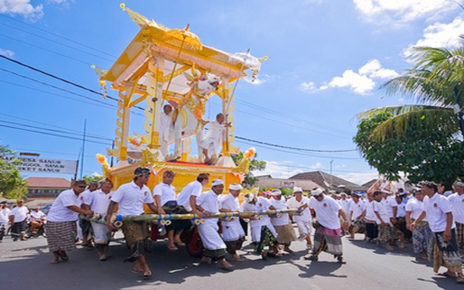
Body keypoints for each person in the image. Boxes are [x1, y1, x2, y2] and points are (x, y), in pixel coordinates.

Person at [106, 167, 158, 279]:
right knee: (137, 242)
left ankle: (137, 265)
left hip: (140, 217)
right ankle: (145, 266)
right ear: (139, 176)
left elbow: (151, 205)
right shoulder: (124, 188)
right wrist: (108, 220)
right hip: (126, 218)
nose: (148, 178)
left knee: (144, 241)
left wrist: (161, 212)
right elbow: (112, 203)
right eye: (146, 176)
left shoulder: (146, 189)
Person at [412, 182, 464, 284]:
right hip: (435, 229)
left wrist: (448, 230)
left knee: (451, 251)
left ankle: (460, 274)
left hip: (445, 229)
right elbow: (424, 212)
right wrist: (415, 222)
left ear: (431, 189)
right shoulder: (426, 199)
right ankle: (451, 271)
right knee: (441, 251)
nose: (421, 189)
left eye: (424, 187)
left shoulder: (441, 199)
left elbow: (449, 214)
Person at [46, 180, 93, 264]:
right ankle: (56, 256)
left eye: (83, 187)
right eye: (80, 186)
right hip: (55, 219)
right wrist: (85, 212)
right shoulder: (66, 194)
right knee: (54, 240)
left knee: (71, 238)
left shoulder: (81, 195)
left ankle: (62, 251)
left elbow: (83, 204)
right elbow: (70, 206)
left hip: (69, 220)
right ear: (74, 186)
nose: (82, 188)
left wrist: (88, 210)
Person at [195, 179, 233, 270]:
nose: (221, 189)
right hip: (205, 223)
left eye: (222, 187)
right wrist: (203, 211)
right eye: (219, 187)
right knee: (217, 242)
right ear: (213, 187)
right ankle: (223, 261)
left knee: (209, 241)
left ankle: (205, 258)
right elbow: (195, 203)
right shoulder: (206, 194)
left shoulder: (217, 197)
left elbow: (218, 209)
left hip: (213, 222)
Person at [306, 188, 349, 263]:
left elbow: (340, 210)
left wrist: (346, 220)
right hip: (321, 223)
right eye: (316, 197)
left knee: (335, 242)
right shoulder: (313, 200)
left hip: (332, 225)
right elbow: (311, 208)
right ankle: (314, 255)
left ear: (322, 193)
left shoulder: (330, 200)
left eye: (320, 195)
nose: (318, 198)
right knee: (317, 239)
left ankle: (339, 257)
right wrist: (313, 217)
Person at [153, 170, 190, 251]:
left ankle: (177, 236)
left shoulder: (173, 188)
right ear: (164, 177)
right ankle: (171, 242)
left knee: (187, 216)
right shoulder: (159, 186)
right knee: (171, 220)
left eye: (172, 177)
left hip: (175, 205)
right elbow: (157, 197)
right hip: (165, 207)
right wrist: (159, 208)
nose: (170, 179)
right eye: (169, 177)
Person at [241, 193, 278, 259]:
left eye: (252, 200)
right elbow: (241, 214)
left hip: (266, 222)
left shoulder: (263, 199)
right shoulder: (244, 204)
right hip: (256, 224)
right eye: (250, 202)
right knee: (259, 239)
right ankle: (262, 253)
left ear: (254, 197)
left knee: (272, 237)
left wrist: (271, 213)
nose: (251, 202)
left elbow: (272, 207)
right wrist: (251, 218)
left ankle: (271, 251)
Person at [85, 179, 114, 261]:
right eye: (105, 184)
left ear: (111, 186)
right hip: (96, 217)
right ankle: (101, 254)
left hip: (109, 218)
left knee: (107, 235)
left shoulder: (114, 194)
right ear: (101, 185)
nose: (107, 186)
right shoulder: (94, 194)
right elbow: (86, 204)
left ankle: (105, 250)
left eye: (109, 184)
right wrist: (88, 212)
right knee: (99, 235)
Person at [219, 183, 246, 261]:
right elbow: (219, 208)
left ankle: (230, 250)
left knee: (241, 237)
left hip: (236, 221)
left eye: (239, 191)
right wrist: (231, 211)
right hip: (228, 221)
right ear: (230, 190)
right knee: (231, 239)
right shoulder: (225, 198)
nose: (238, 193)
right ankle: (234, 255)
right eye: (236, 191)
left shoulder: (236, 198)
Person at [405, 189, 432, 259]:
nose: (418, 196)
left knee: (429, 239)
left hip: (429, 222)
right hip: (416, 223)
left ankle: (428, 252)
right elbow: (408, 213)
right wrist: (408, 223)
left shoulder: (429, 200)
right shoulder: (411, 202)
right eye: (416, 194)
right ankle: (423, 252)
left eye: (420, 194)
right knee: (419, 239)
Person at [269, 189, 296, 253]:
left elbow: (286, 206)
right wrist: (275, 213)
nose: (279, 197)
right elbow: (269, 212)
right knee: (275, 238)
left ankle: (286, 247)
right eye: (277, 196)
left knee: (288, 236)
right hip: (276, 223)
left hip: (285, 221)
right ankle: (275, 249)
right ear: (273, 196)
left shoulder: (283, 199)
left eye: (280, 195)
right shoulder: (270, 202)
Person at [79, 181, 99, 247]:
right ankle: (85, 240)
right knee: (85, 226)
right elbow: (84, 204)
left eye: (96, 186)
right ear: (90, 186)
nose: (94, 187)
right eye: (93, 186)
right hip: (85, 212)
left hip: (94, 212)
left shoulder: (96, 193)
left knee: (94, 227)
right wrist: (87, 213)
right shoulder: (85, 193)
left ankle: (91, 240)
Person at [448, 181, 464, 250]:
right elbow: (444, 203)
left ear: (462, 187)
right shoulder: (452, 197)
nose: (455, 188)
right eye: (454, 187)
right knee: (458, 238)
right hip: (456, 221)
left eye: (456, 187)